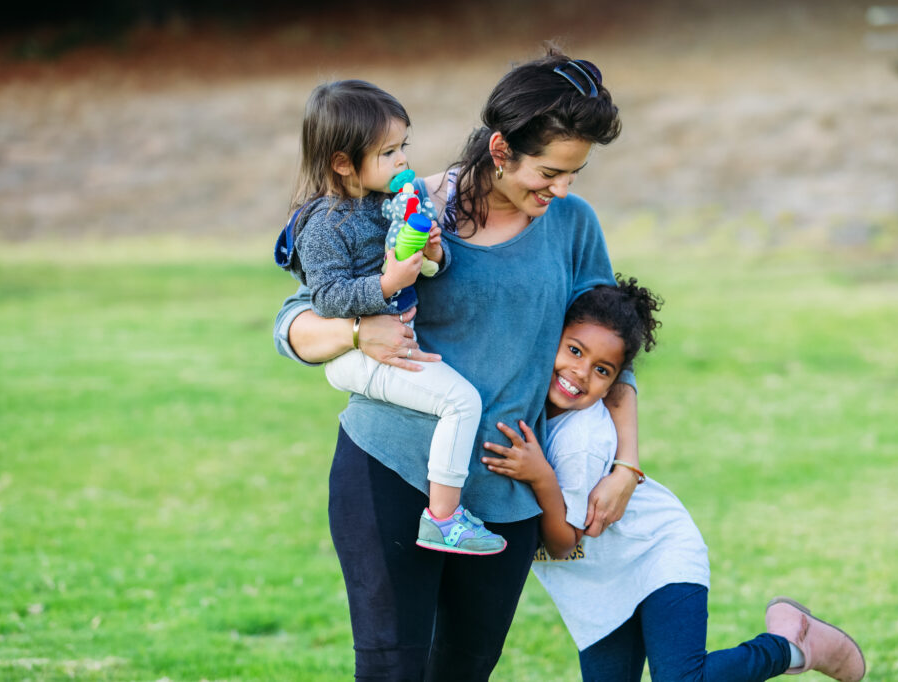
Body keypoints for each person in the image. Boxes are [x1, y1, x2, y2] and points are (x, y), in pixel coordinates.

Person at [272, 50, 639, 680]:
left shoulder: (574, 226)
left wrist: (627, 464)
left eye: (574, 174)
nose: (562, 189)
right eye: (550, 172)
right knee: (393, 670)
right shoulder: (410, 206)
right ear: (500, 150)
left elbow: (614, 353)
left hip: (508, 495)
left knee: (463, 672)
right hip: (389, 469)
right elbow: (294, 324)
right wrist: (360, 331)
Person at [482, 277, 867, 682]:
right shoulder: (531, 406)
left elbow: (562, 543)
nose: (579, 373)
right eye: (574, 351)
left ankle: (792, 646)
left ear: (617, 382)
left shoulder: (581, 441)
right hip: (596, 587)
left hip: (656, 553)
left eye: (601, 370)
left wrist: (541, 476)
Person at [274, 79, 505, 556]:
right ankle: (444, 519)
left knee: (456, 401)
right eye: (387, 153)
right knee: (461, 402)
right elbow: (329, 297)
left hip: (392, 337)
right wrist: (387, 284)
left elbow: (420, 268)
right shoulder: (324, 225)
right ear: (342, 162)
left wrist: (432, 257)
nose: (402, 161)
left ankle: (444, 511)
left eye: (404, 147)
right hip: (354, 353)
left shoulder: (390, 203)